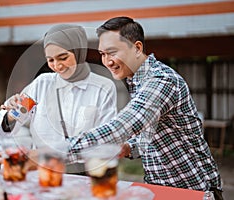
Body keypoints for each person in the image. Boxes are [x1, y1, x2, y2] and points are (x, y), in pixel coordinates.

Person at [66, 17, 223, 199]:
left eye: (112, 52)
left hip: (194, 192)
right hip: (161, 189)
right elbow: (153, 134)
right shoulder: (137, 80)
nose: (107, 61)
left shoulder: (161, 81)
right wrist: (128, 147)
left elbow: (121, 127)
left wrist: (55, 153)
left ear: (137, 48)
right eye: (102, 54)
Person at [0, 24, 117, 174]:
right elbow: (12, 125)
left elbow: (106, 139)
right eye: (50, 60)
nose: (57, 66)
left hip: (86, 175)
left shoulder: (103, 87)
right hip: (43, 171)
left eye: (63, 57)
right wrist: (11, 115)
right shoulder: (41, 84)